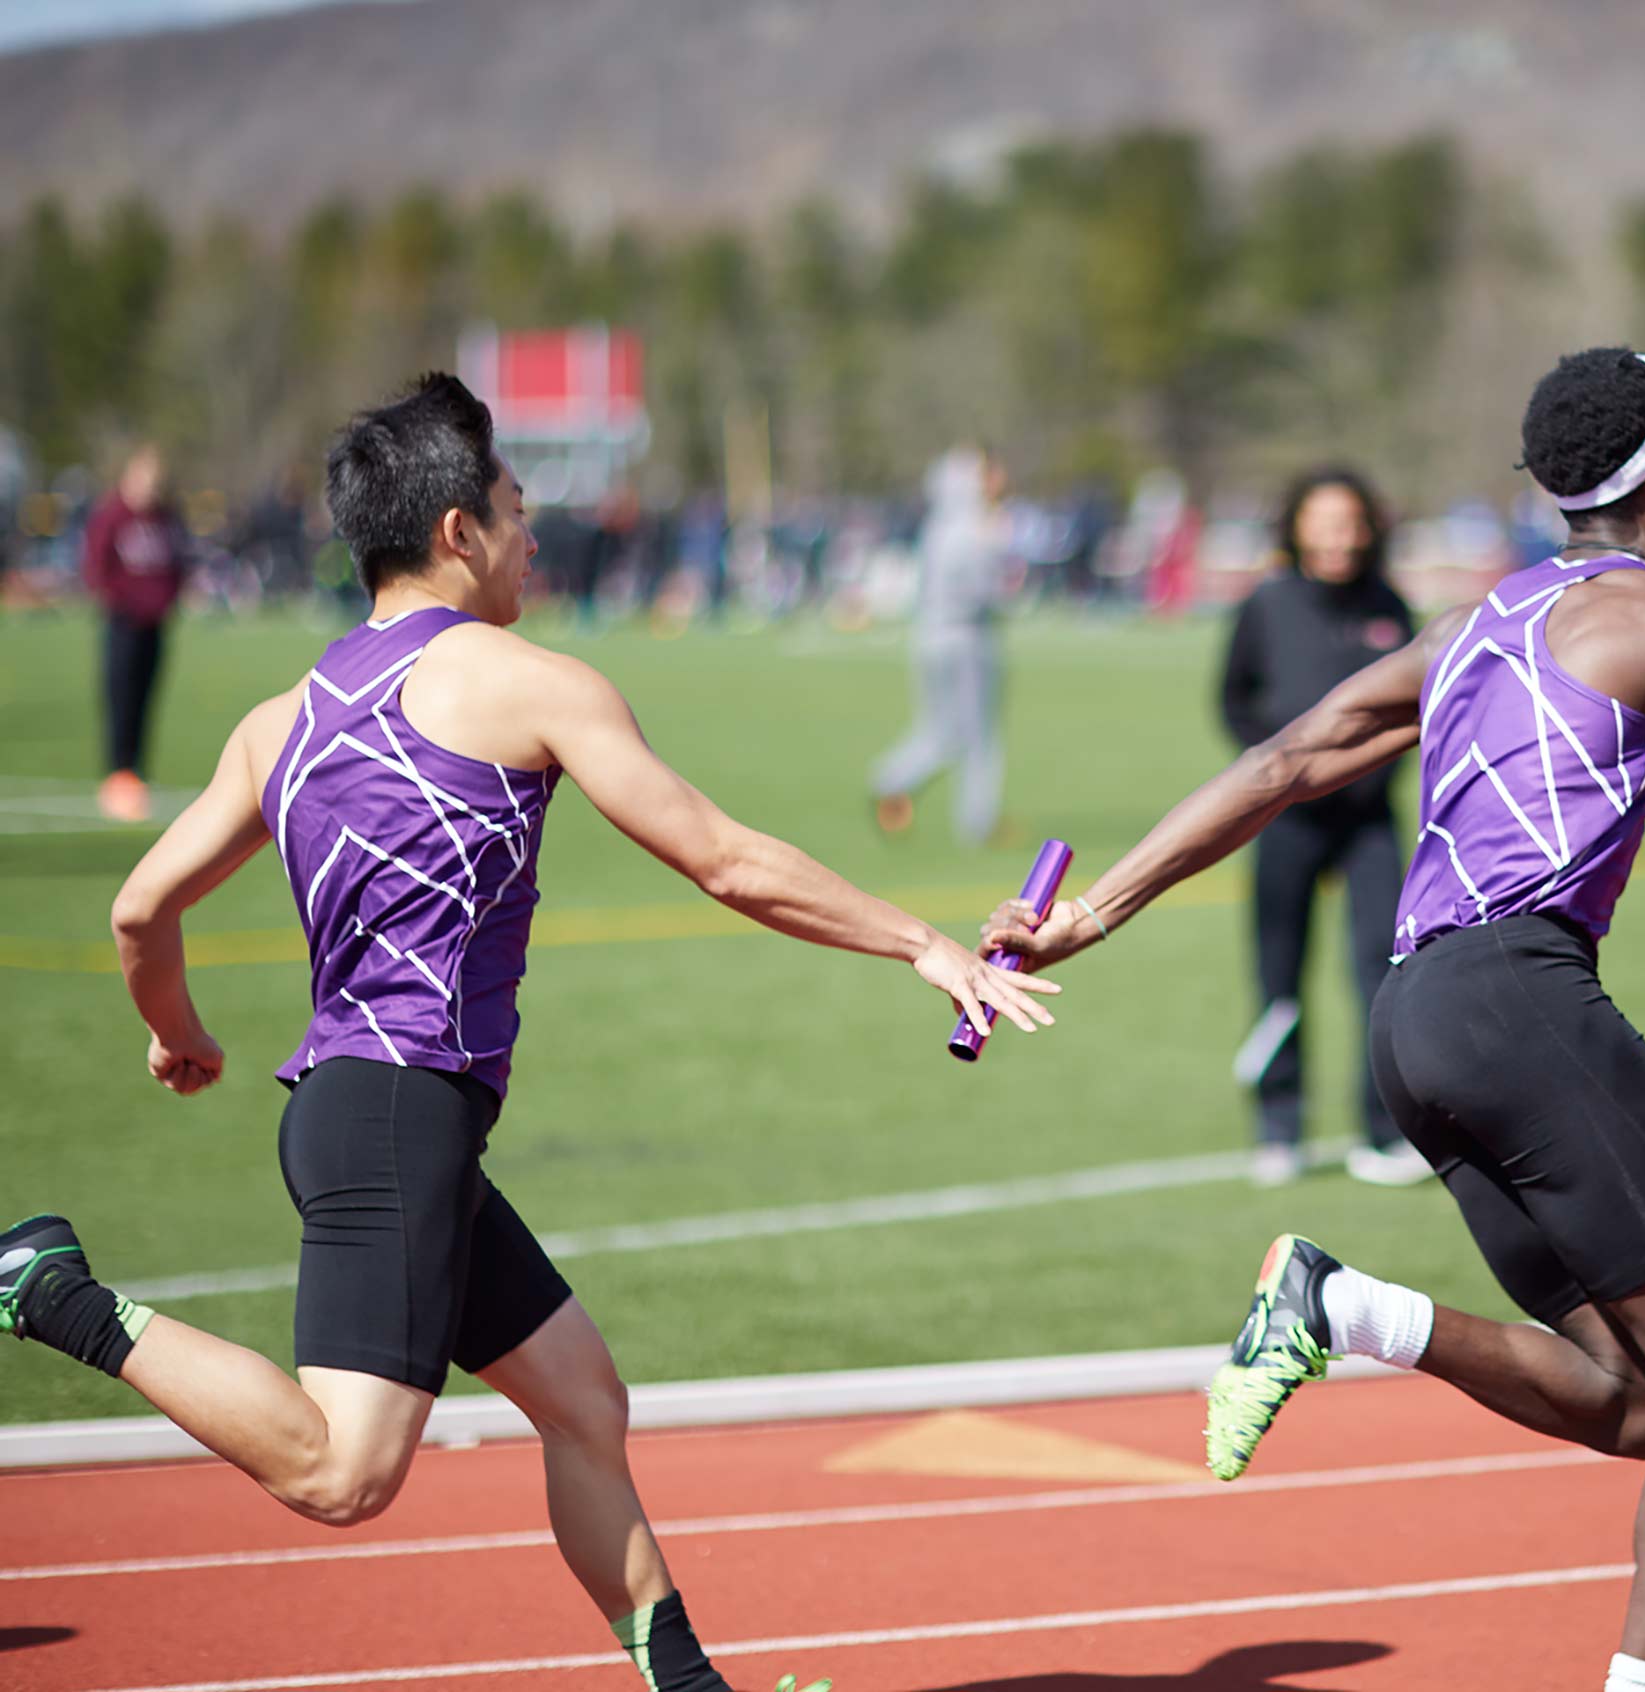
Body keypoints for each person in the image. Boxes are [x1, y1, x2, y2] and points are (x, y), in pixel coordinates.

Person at [0, 375, 1055, 1692]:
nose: (534, 535)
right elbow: (725, 859)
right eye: (515, 508)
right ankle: (55, 1295)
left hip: (368, 1112)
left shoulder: (283, 721)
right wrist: (923, 940)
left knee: (581, 1402)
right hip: (395, 1116)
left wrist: (181, 1035)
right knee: (343, 1472)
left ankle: (691, 1687)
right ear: (456, 531)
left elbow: (138, 908)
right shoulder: (527, 685)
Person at [980, 348, 1645, 1692]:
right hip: (1522, 1002)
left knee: (1640, 1400)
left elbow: (1282, 761)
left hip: (1413, 1028)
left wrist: (1088, 915)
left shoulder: (1469, 628)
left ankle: (1341, 1307)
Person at [1218, 468, 1428, 1187]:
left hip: (1371, 823)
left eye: (1350, 521)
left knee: (1385, 973)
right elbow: (1233, 698)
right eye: (1322, 520)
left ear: (1369, 529)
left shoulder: (1390, 605)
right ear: (1297, 528)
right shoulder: (1267, 605)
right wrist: (1278, 770)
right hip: (1287, 821)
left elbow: (1417, 703)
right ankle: (1279, 1128)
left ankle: (1384, 1132)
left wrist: (1373, 773)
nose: (1338, 535)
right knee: (1278, 975)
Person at [873, 444, 1012, 844]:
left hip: (930, 635)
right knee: (980, 737)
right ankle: (978, 822)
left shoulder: (936, 527)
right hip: (968, 637)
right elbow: (986, 594)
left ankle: (891, 779)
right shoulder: (977, 529)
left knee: (939, 729)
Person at [82, 443, 190, 823]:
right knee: (121, 698)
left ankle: (136, 775)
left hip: (156, 624)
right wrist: (122, 601)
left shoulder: (165, 517)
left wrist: (169, 599)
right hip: (123, 622)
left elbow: (179, 561)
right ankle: (118, 776)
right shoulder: (113, 514)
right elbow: (97, 565)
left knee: (147, 698)